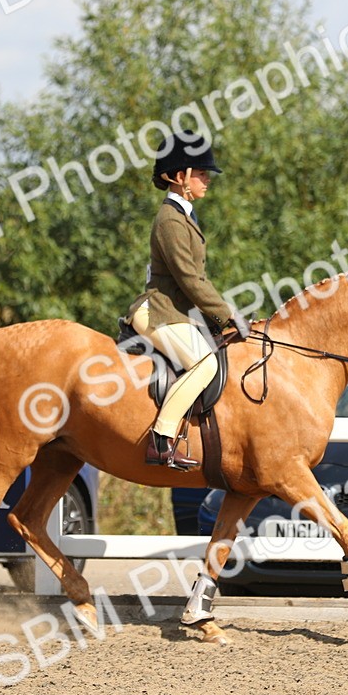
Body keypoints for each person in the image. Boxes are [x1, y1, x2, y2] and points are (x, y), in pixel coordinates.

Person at [125, 131, 250, 470]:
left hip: (176, 311)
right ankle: (161, 439)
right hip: (157, 311)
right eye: (201, 174)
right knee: (204, 363)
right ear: (179, 177)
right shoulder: (170, 220)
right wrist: (226, 315)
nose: (207, 180)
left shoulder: (184, 215)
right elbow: (190, 279)